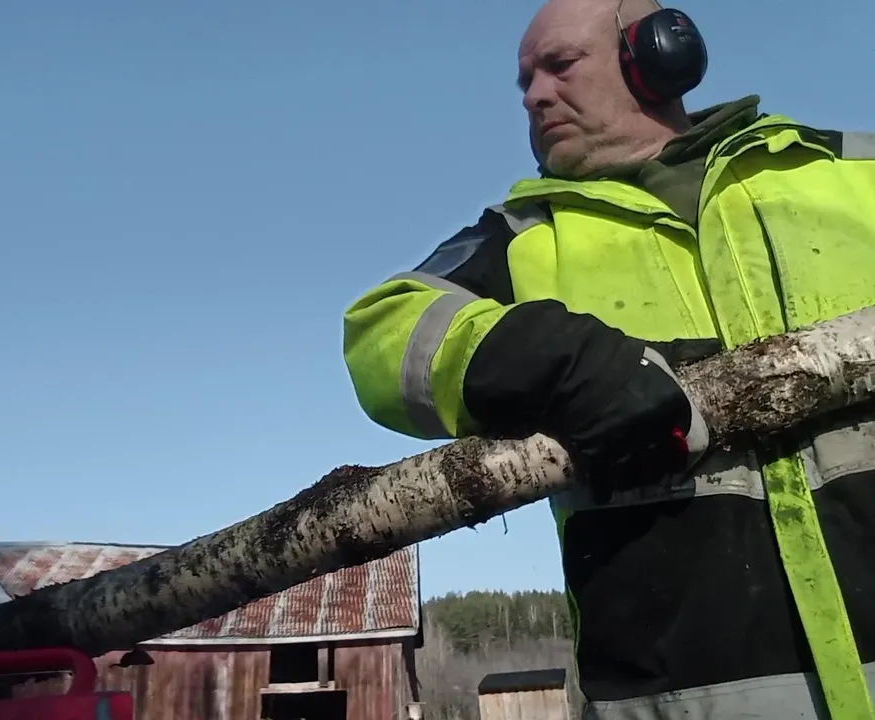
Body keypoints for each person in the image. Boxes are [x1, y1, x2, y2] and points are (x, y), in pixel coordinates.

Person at [340, 0, 875, 717]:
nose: (534, 95)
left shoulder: (849, 172)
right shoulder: (524, 234)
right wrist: (546, 359)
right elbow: (383, 333)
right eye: (526, 82)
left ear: (657, 55)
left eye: (559, 65)